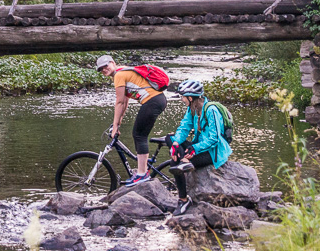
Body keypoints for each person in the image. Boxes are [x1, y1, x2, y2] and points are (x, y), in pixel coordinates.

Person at [96, 54, 168, 186]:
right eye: (101, 69)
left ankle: (142, 174)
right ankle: (143, 171)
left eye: (105, 66)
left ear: (112, 63)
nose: (104, 70)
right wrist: (118, 122)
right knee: (139, 134)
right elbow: (125, 102)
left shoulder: (119, 75)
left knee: (139, 135)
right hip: (158, 100)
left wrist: (116, 125)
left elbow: (119, 102)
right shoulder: (124, 71)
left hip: (152, 101)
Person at [166, 80, 232, 215]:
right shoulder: (192, 109)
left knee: (176, 162)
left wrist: (194, 149)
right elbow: (184, 128)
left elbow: (214, 138)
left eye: (183, 97)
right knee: (171, 140)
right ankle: (184, 198)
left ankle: (184, 197)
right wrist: (176, 144)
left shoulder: (211, 110)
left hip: (213, 151)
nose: (182, 99)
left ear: (190, 98)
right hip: (199, 147)